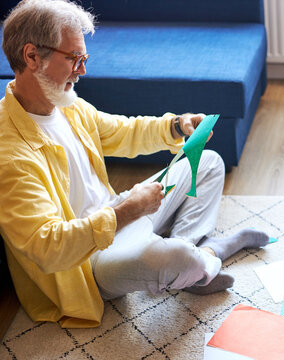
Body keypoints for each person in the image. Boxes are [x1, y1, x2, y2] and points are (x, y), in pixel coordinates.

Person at [0, 0, 269, 328]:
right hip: (90, 263)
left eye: (83, 58)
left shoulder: (66, 105)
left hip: (118, 213)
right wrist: (129, 209)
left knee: (209, 162)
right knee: (178, 258)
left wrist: (177, 125)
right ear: (31, 57)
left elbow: (123, 131)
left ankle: (186, 267)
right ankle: (211, 253)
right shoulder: (10, 155)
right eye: (74, 58)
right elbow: (47, 247)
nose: (82, 70)